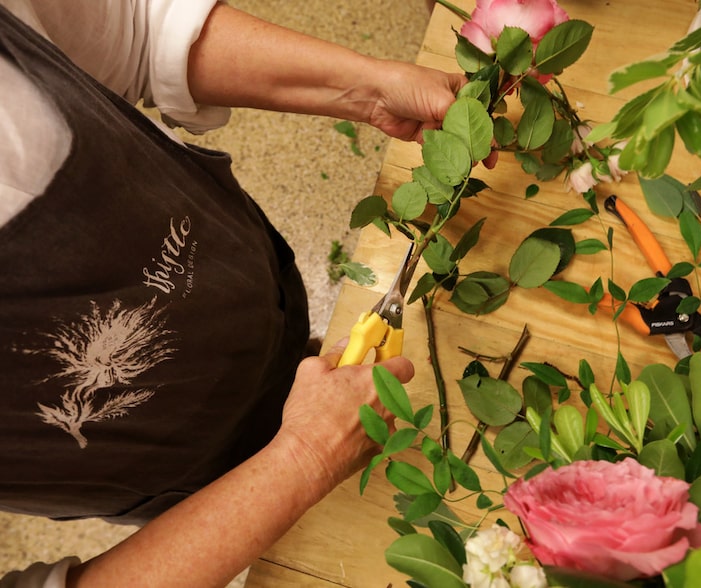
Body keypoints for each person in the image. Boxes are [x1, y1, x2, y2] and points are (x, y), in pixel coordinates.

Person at [0, 1, 467, 586]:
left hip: (254, 301)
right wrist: (305, 458)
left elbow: (132, 31)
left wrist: (369, 90)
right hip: (169, 467)